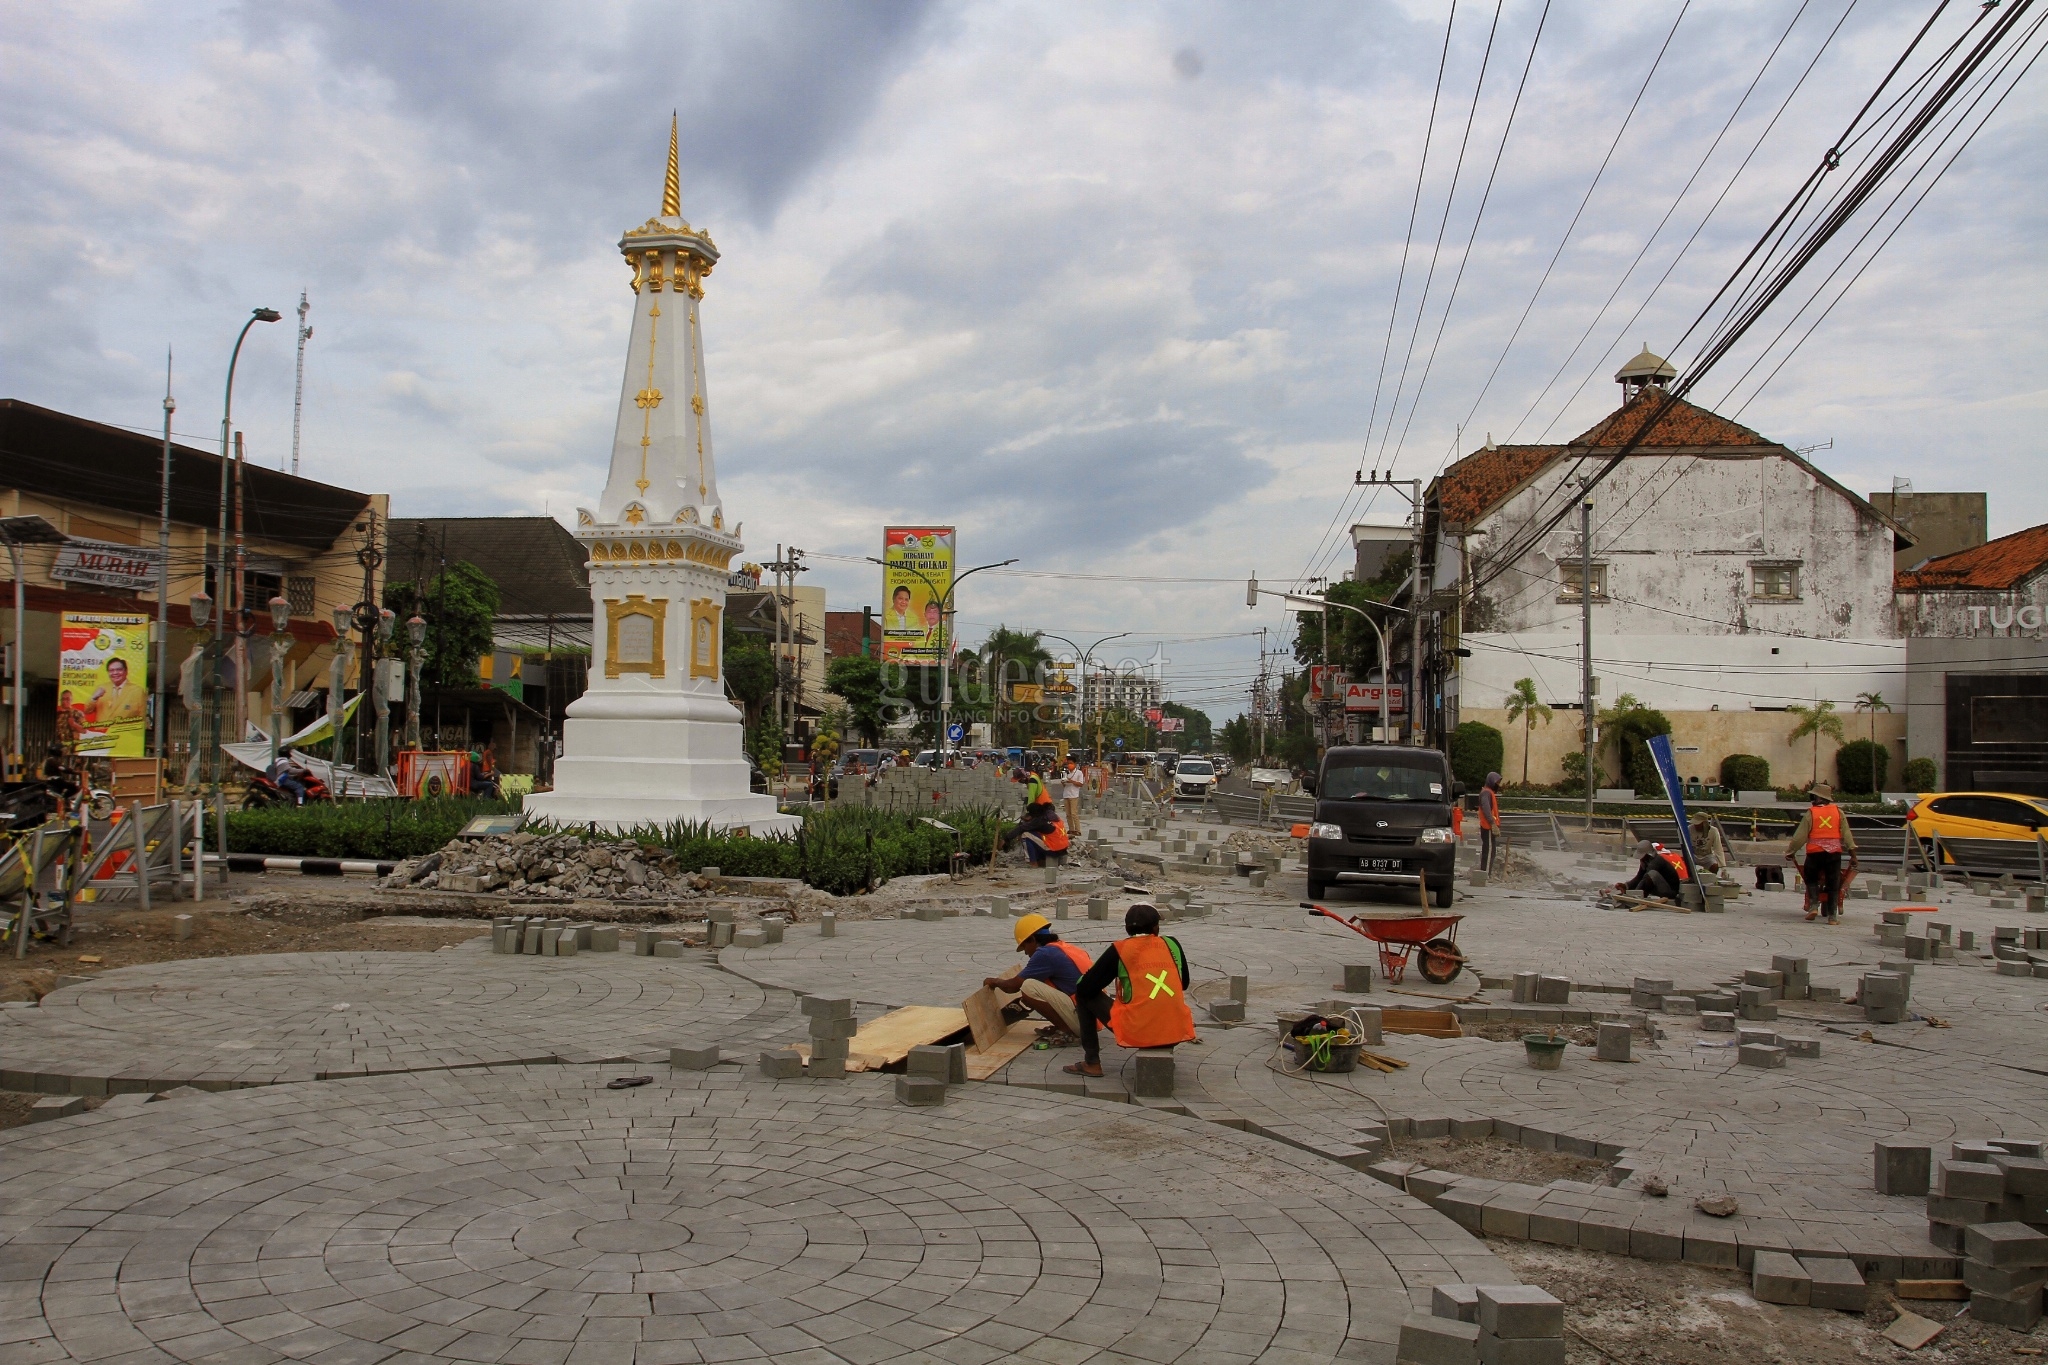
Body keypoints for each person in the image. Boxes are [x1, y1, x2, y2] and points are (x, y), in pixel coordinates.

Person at [1062, 903, 1196, 1078]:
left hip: (1139, 1030)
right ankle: (1164, 1044)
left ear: (1126, 929)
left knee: (1083, 995)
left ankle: (1092, 1062)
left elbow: (1086, 987)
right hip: (1177, 1029)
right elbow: (1183, 983)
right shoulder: (1172, 944)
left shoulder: (1120, 950)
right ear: (1156, 927)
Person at [983, 914, 1094, 1043]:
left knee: (1029, 987)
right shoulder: (1061, 947)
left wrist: (994, 982)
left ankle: (1066, 1031)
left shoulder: (1045, 954)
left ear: (1032, 939)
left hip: (1083, 1021)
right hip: (1091, 1017)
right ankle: (1064, 1026)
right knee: (1034, 984)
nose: (1025, 952)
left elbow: (1012, 987)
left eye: (1024, 946)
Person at [1786, 782, 1857, 923]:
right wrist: (1853, 855)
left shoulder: (1811, 813)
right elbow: (1847, 835)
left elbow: (1800, 836)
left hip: (1814, 854)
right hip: (1833, 854)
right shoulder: (1838, 812)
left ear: (1818, 798)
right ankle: (1832, 917)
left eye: (1813, 797)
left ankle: (1813, 906)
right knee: (1833, 883)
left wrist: (1791, 851)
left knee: (1810, 878)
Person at [1614, 840, 1686, 901]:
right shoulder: (1646, 861)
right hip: (1659, 888)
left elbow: (1645, 878)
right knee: (1648, 877)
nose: (1641, 859)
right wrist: (1626, 886)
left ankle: (1639, 896)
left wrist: (1634, 894)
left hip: (1670, 892)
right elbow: (1639, 877)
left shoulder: (1657, 861)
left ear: (1648, 854)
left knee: (1652, 874)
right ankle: (1638, 894)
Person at [88, 657, 148, 723]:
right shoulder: (102, 688)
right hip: (102, 732)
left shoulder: (137, 691)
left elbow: (142, 718)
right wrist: (94, 698)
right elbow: (87, 710)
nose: (115, 673)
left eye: (119, 670)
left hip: (125, 732)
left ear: (126, 671)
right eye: (111, 670)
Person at [1477, 771, 1502, 873]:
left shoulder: (1488, 793)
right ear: (1491, 781)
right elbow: (1486, 809)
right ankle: (1485, 873)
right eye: (1497, 782)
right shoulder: (1486, 793)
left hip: (1489, 826)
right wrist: (1492, 823)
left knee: (1490, 850)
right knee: (1489, 850)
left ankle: (1486, 872)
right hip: (1488, 827)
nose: (1498, 785)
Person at [1059, 756, 1086, 837]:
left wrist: (1071, 781)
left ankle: (1078, 830)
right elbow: (1065, 785)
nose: (1069, 765)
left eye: (1071, 763)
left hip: (1074, 795)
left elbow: (1080, 784)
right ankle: (1071, 829)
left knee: (1074, 813)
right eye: (1068, 763)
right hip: (1066, 794)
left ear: (1075, 764)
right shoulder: (1067, 773)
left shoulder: (1079, 773)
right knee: (1068, 814)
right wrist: (1064, 782)